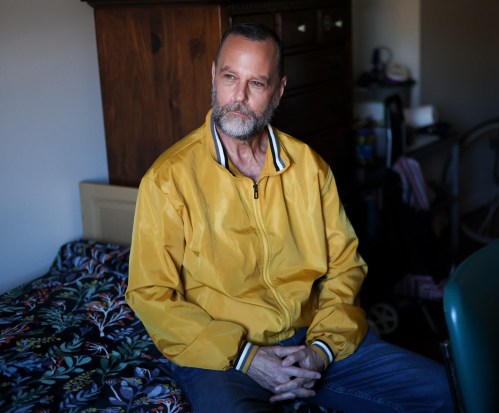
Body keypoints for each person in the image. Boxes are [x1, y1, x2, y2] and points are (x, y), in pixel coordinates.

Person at [126, 22, 453, 413]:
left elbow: (346, 266)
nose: (239, 97)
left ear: (279, 90)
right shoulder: (168, 179)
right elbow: (151, 294)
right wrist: (246, 356)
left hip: (312, 334)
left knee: (445, 390)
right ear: (213, 75)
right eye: (230, 77)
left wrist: (320, 350)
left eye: (257, 84)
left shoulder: (309, 167)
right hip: (222, 354)